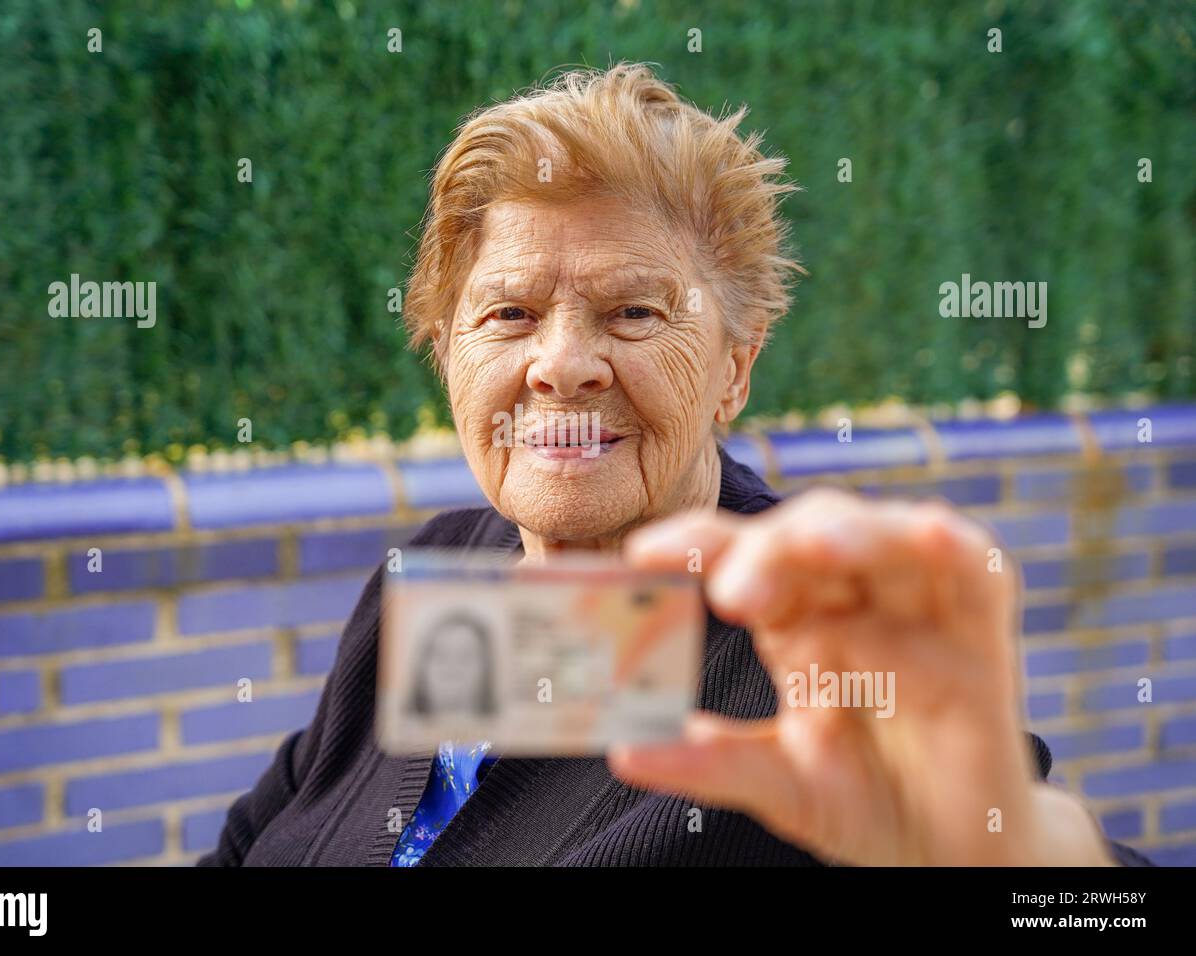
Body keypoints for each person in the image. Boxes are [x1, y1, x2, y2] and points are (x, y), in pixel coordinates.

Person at [199, 63, 1150, 867]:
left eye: (636, 313)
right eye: (509, 314)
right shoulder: (437, 575)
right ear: (447, 353)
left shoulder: (801, 646)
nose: (562, 363)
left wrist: (1016, 848)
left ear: (735, 367)